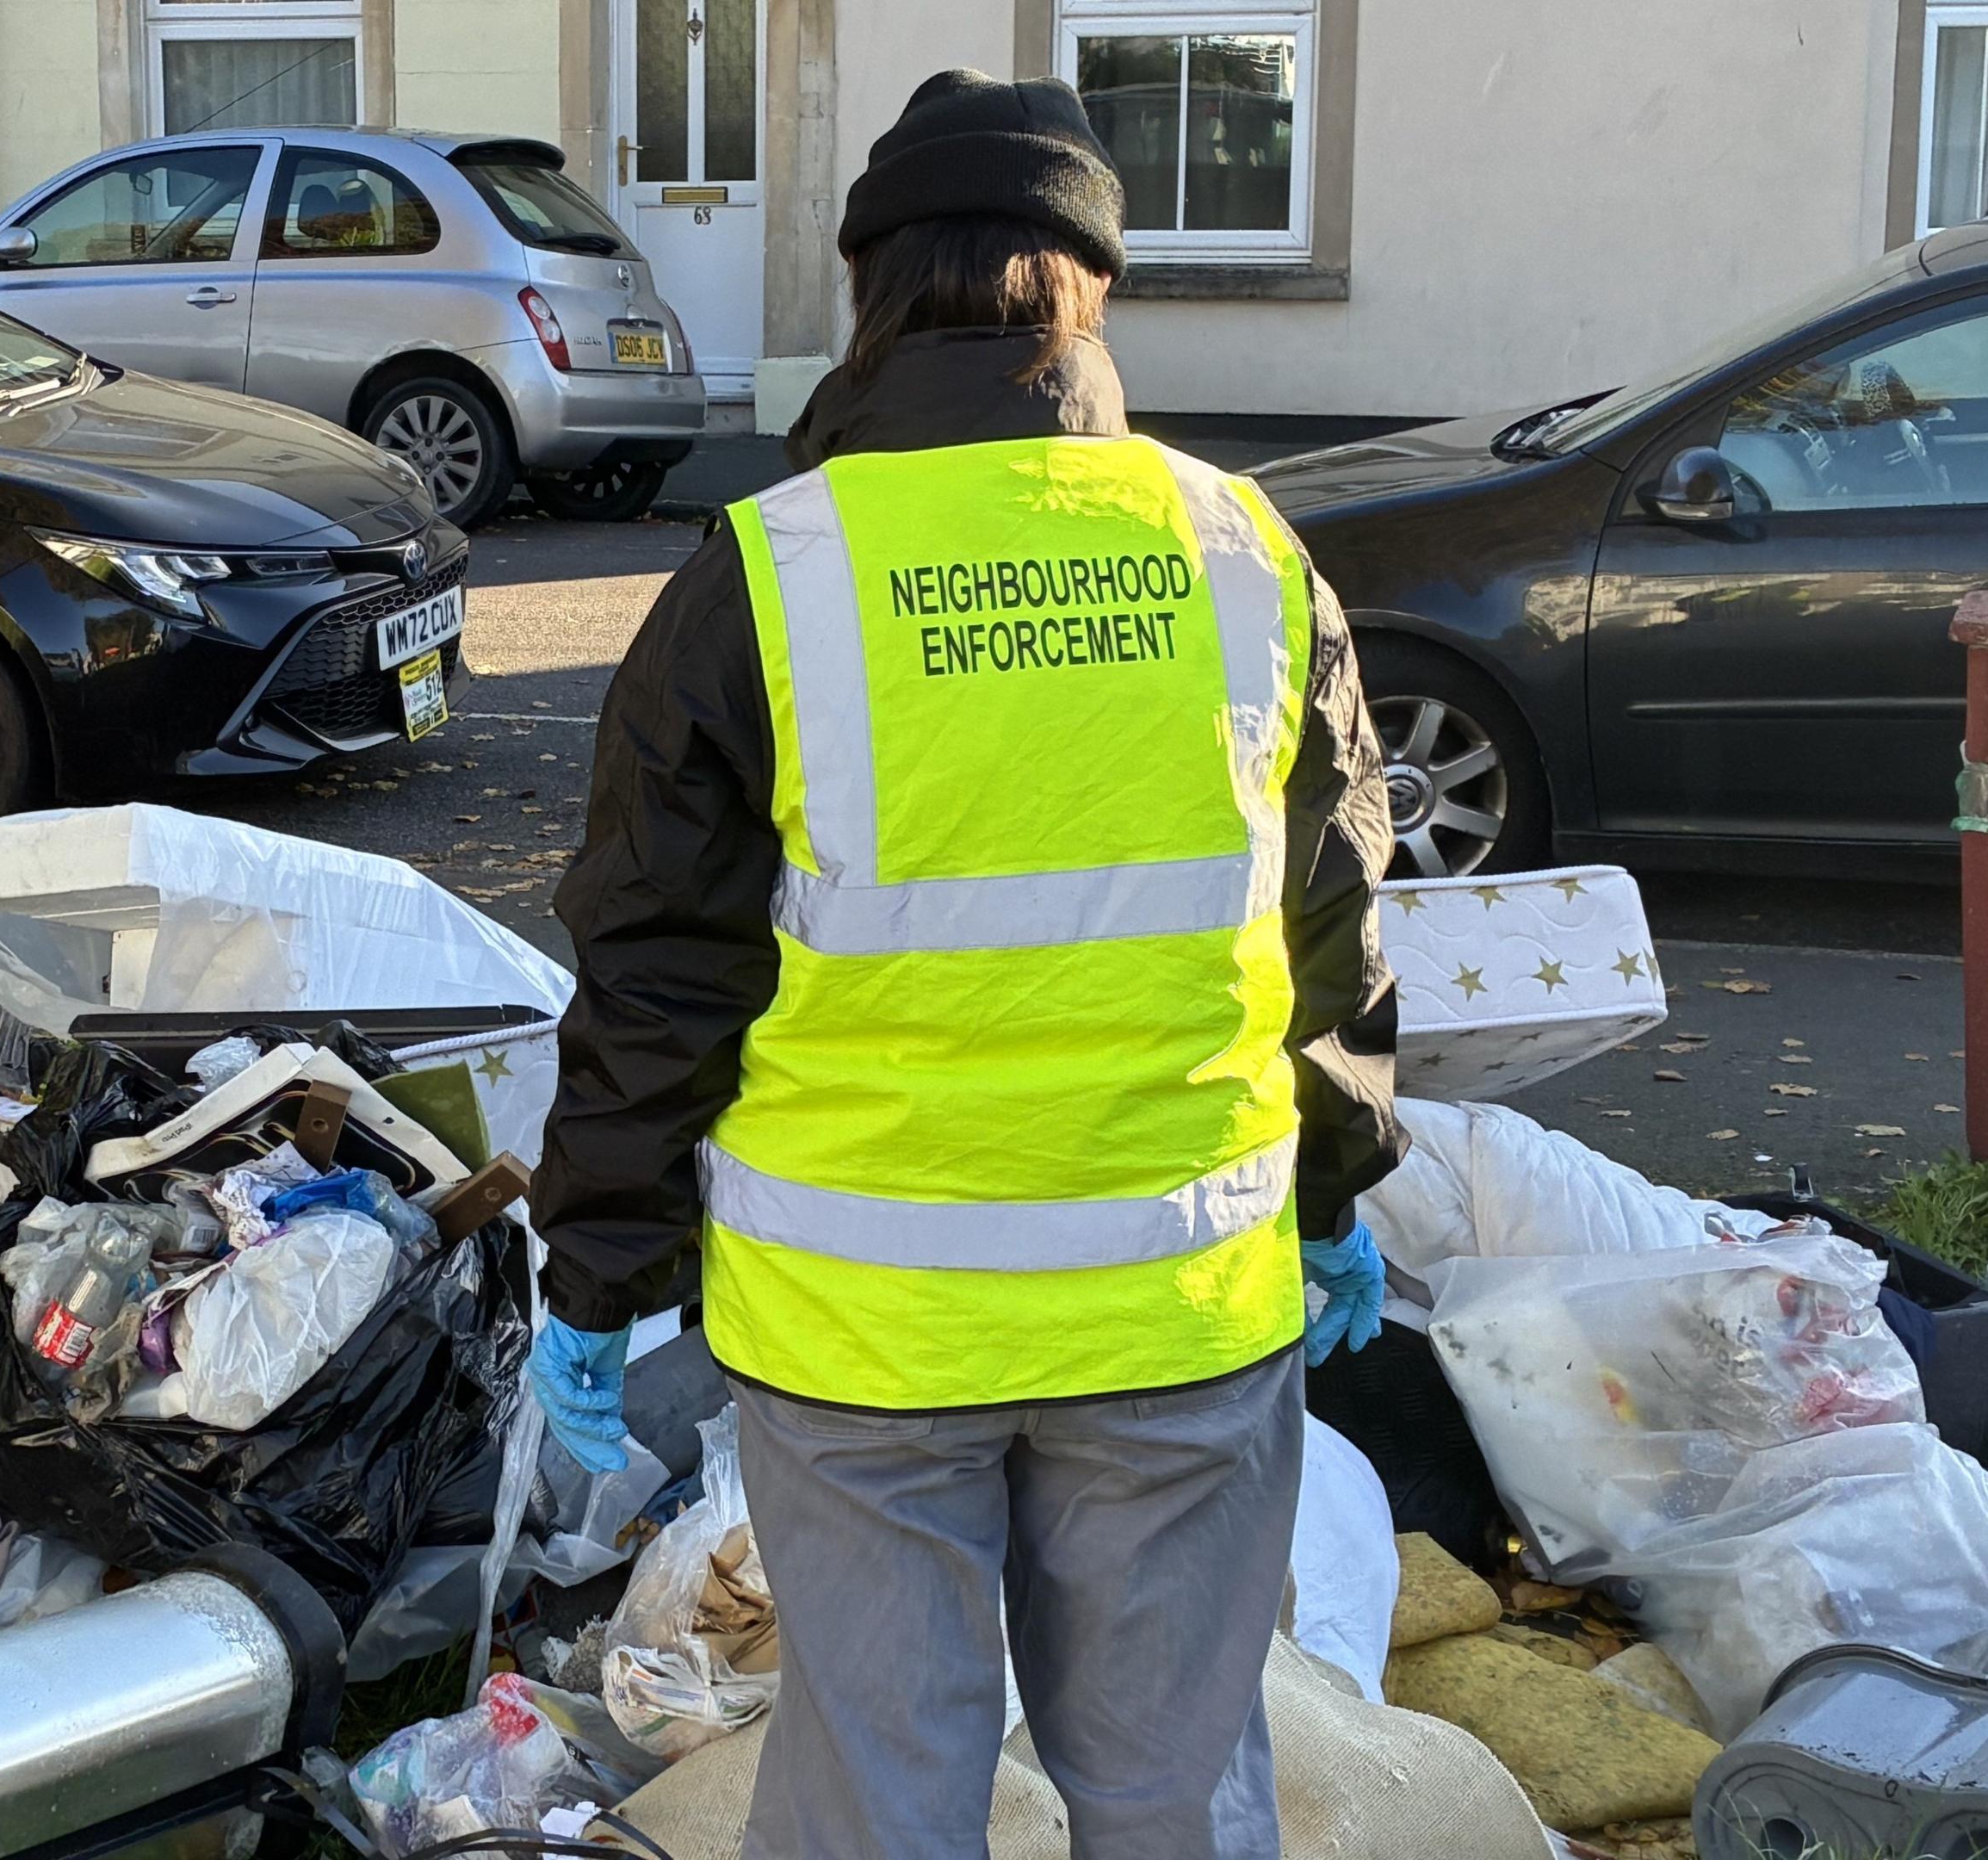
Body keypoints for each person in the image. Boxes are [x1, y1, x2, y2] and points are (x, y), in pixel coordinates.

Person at [524, 70, 1406, 1860]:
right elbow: (1333, 928)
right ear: (1091, 289)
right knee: (1174, 1787)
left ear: (873, 292)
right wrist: (1337, 1185)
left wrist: (600, 1268)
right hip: (1178, 1306)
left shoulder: (766, 578)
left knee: (880, 1790)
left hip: (864, 1332)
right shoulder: (1243, 552)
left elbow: (655, 970)